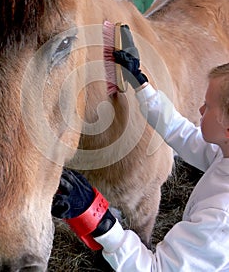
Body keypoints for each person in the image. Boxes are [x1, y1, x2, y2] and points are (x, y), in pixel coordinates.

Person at [52, 38, 229, 271]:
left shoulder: (220, 219)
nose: (200, 110)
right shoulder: (223, 152)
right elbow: (183, 134)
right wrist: (141, 85)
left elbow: (156, 268)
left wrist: (99, 219)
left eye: (207, 105)